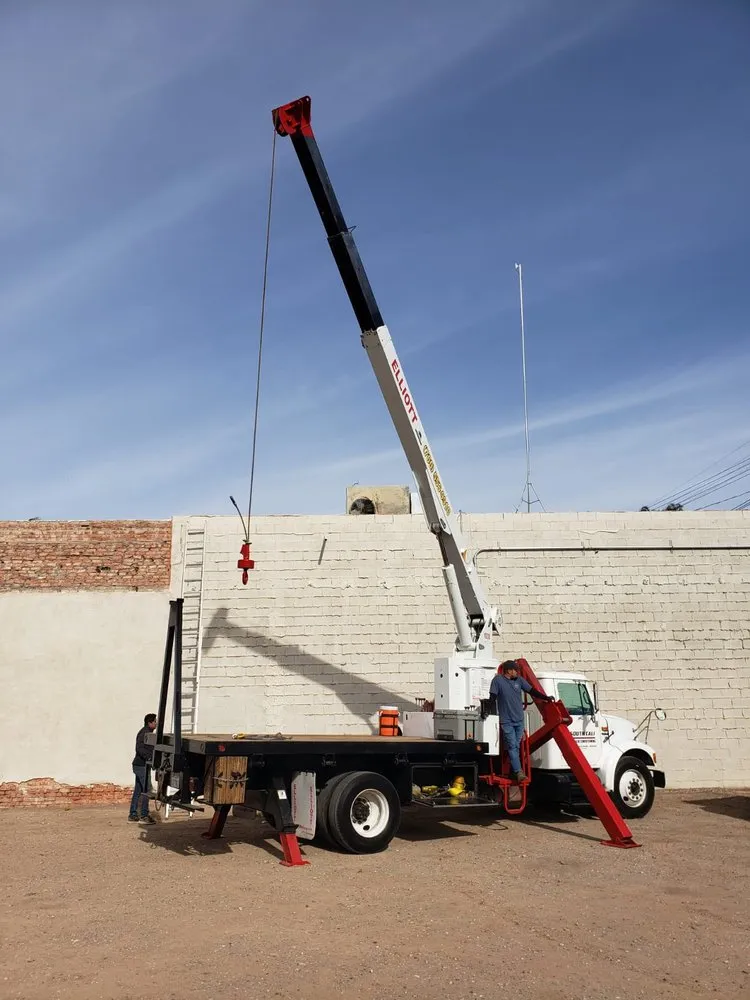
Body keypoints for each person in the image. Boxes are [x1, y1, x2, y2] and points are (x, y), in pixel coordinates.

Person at [489, 660, 554, 782]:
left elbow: (532, 691)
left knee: (516, 746)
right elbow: (492, 697)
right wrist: (487, 712)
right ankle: (519, 772)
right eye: (515, 670)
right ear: (508, 670)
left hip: (519, 720)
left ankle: (513, 771)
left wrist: (545, 698)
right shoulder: (498, 681)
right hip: (506, 721)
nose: (517, 673)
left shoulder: (519, 680)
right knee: (513, 746)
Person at [128, 713, 157, 824]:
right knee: (146, 790)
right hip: (141, 765)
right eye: (155, 721)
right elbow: (139, 748)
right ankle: (144, 816)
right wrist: (149, 757)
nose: (156, 723)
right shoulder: (145, 733)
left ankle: (133, 814)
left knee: (138, 790)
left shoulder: (148, 733)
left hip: (141, 765)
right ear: (150, 722)